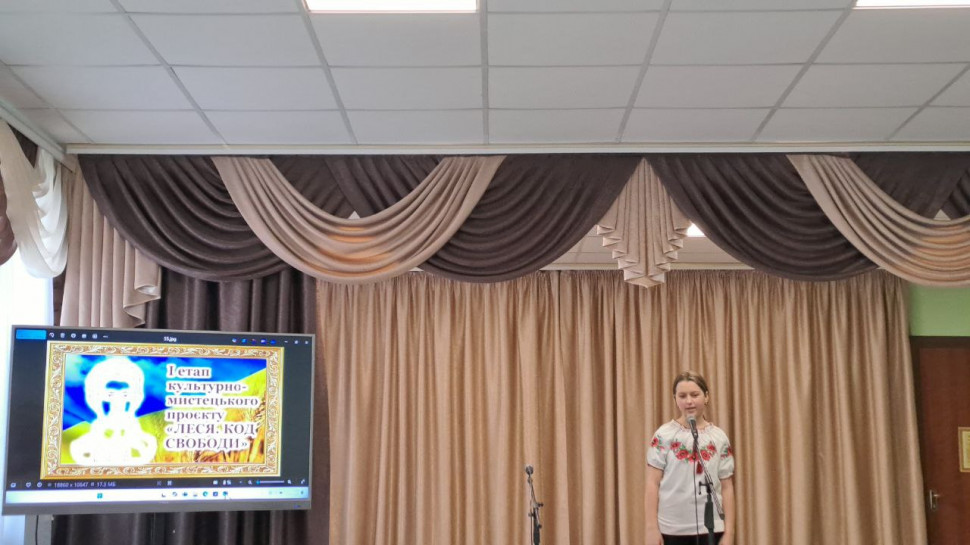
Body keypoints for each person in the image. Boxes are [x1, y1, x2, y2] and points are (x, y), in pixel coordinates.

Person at [645, 371, 735, 545]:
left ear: (706, 396)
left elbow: (727, 486)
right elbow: (652, 483)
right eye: (682, 396)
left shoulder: (719, 437)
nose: (689, 401)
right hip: (671, 528)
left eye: (694, 395)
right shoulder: (664, 435)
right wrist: (651, 528)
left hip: (711, 528)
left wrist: (729, 532)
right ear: (675, 399)